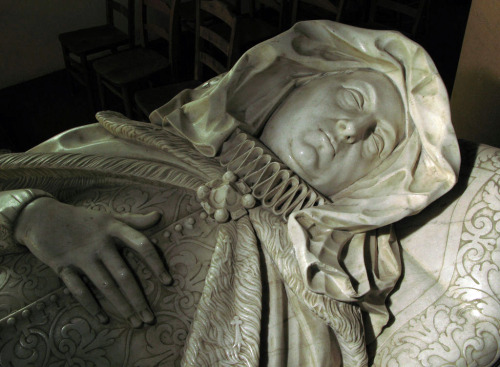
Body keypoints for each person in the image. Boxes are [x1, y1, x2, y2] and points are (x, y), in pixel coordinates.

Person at [0, 20, 459, 367]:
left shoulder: (317, 309)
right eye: (354, 99)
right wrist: (27, 213)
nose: (353, 130)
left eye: (378, 144)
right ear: (297, 84)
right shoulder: (133, 145)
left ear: (370, 188)